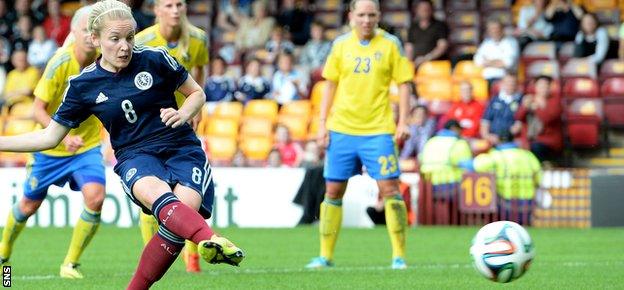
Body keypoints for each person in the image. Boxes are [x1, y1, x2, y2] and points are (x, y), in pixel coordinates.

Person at [0, 1, 244, 288]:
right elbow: (49, 136)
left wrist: (183, 113)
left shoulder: (156, 58)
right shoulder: (82, 85)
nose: (125, 47)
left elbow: (197, 93)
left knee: (178, 223)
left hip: (181, 148)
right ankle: (210, 240)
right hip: (135, 155)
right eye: (115, 39)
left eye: (129, 38)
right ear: (96, 39)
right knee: (167, 204)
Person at [305, 0, 413, 270]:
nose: (366, 20)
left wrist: (404, 121)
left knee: (390, 189)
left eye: (372, 15)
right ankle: (325, 256)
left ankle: (399, 256)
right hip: (342, 129)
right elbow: (329, 85)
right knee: (333, 190)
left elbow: (404, 84)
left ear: (379, 16)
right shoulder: (340, 45)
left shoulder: (391, 44)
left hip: (378, 130)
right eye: (362, 14)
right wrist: (322, 124)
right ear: (351, 15)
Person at [0, 7, 104, 279]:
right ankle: (4, 249)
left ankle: (70, 263)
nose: (91, 37)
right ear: (74, 32)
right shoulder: (59, 63)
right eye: (85, 31)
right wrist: (64, 134)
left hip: (86, 144)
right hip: (50, 148)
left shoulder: (106, 60)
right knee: (28, 206)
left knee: (95, 197)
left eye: (95, 31)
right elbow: (37, 110)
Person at [134, 0, 210, 273]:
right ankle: (152, 253)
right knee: (152, 195)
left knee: (190, 191)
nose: (176, 10)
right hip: (151, 127)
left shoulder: (198, 39)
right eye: (169, 5)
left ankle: (193, 258)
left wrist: (196, 113)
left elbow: (199, 75)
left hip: (185, 124)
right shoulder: (142, 41)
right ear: (156, 10)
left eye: (180, 4)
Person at [462, 130, 542, 225]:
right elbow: (539, 177)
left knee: (506, 228)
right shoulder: (528, 155)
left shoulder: (496, 155)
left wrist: (460, 162)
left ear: (499, 140)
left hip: (506, 201)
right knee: (523, 230)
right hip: (527, 202)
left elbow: (474, 165)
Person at [419, 120, 472, 225]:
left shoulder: (430, 141)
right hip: (451, 185)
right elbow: (468, 166)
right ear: (454, 129)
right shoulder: (458, 143)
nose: (461, 132)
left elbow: (421, 159)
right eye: (460, 130)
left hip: (428, 185)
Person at [514, 75, 563, 163]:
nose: (543, 88)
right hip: (529, 140)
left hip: (548, 142)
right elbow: (518, 117)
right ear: (535, 87)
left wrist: (536, 108)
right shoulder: (529, 99)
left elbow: (547, 119)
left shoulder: (555, 101)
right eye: (540, 86)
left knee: (535, 149)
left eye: (545, 86)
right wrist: (524, 106)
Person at [480, 73, 523, 146]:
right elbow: (485, 121)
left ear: (517, 84)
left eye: (512, 83)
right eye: (507, 82)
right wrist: (487, 136)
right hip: (491, 138)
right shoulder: (494, 100)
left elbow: (518, 125)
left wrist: (503, 137)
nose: (510, 85)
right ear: (502, 84)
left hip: (510, 139)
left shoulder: (521, 101)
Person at [473, 19, 519, 84]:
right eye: (491, 29)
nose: (494, 31)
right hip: (486, 79)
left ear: (502, 29)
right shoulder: (486, 43)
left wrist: (487, 62)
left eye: (496, 29)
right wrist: (498, 61)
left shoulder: (511, 42)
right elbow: (477, 61)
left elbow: (508, 63)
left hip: (504, 80)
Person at [406, 0, 449, 68]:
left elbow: (442, 46)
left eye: (427, 8)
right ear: (416, 10)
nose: (424, 11)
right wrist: (409, 63)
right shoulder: (413, 26)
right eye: (422, 8)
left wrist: (426, 58)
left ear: (432, 10)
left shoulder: (440, 25)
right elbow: (409, 47)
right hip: (416, 65)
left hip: (436, 65)